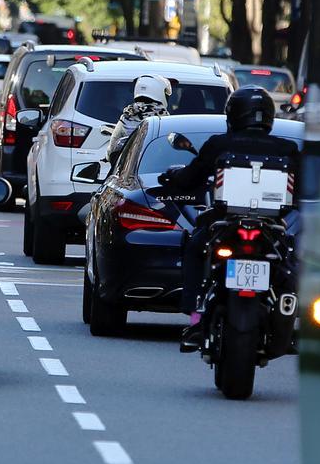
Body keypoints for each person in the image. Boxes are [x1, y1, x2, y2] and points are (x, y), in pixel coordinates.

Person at [158, 86, 300, 351]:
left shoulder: (219, 144)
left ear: (233, 115)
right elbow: (304, 190)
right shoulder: (287, 148)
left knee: (194, 246)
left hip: (224, 222)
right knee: (288, 261)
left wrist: (173, 179)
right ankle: (286, 324)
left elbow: (191, 178)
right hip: (272, 226)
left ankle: (196, 317)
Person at [107, 74, 171, 163]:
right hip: (154, 167)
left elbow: (111, 150)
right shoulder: (164, 117)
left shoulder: (128, 115)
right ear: (159, 92)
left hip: (128, 168)